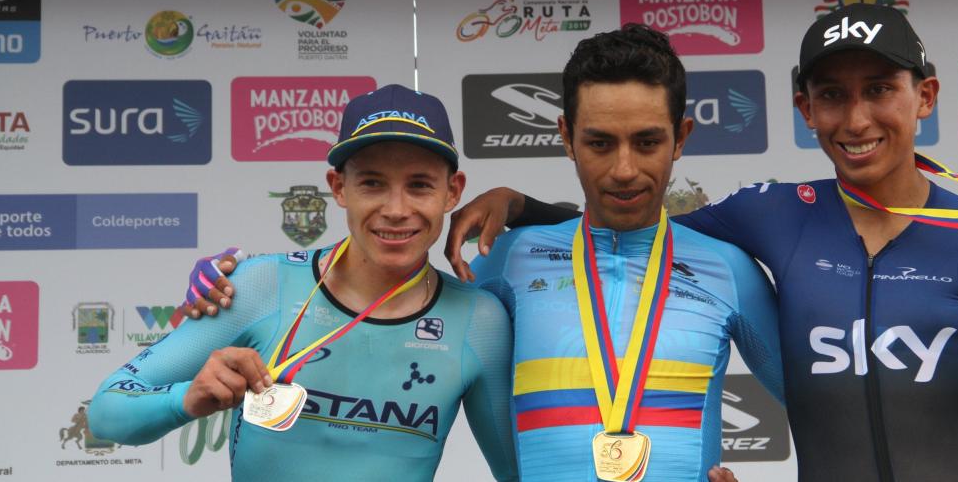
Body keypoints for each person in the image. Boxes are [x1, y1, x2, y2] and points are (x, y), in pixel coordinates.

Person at [444, 4, 958, 481]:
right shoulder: (774, 215)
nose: (857, 118)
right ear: (805, 109)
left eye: (881, 90)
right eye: (833, 94)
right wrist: (526, 209)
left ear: (926, 96)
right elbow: (636, 227)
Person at [182, 25, 777, 482]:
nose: (624, 169)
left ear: (682, 137)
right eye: (599, 143)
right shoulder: (506, 259)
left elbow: (822, 408)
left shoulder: (728, 270)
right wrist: (232, 288)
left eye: (647, 142)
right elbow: (390, 308)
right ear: (566, 137)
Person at [88, 85, 518, 482]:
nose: (395, 209)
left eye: (419, 185)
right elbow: (107, 411)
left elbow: (523, 472)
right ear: (339, 187)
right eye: (372, 183)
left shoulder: (479, 321)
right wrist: (187, 398)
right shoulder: (260, 286)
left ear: (452, 192)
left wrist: (518, 204)